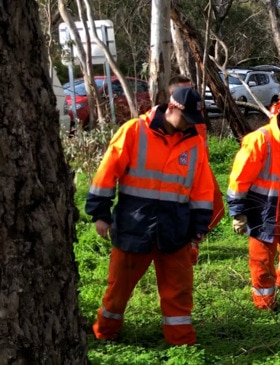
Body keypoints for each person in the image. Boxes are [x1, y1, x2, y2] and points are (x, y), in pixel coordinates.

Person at [85, 87, 215, 345]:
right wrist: (100, 213)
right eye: (186, 118)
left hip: (175, 229)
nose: (189, 124)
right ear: (172, 108)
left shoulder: (195, 143)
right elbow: (106, 173)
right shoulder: (134, 131)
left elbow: (202, 187)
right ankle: (105, 332)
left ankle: (181, 342)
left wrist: (200, 224)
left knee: (179, 291)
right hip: (134, 225)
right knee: (118, 289)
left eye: (193, 120)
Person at [227, 107, 280, 311]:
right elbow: (239, 179)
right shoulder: (259, 140)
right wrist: (238, 212)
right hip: (262, 207)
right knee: (262, 256)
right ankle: (264, 303)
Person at [165, 75, 225, 264]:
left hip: (201, 169)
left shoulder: (196, 116)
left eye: (192, 89)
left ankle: (194, 239)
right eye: (184, 89)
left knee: (216, 207)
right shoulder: (171, 117)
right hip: (180, 174)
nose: (190, 93)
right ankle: (189, 249)